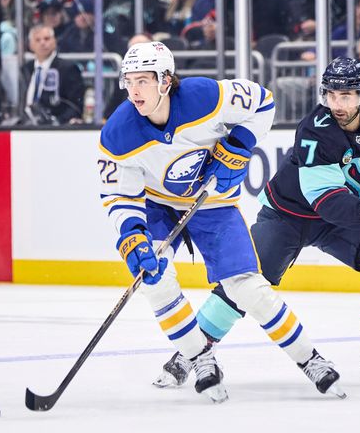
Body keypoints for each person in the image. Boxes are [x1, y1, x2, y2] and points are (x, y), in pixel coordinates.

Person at [99, 42, 345, 404]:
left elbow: (263, 101)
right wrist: (132, 234)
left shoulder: (204, 96)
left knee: (248, 287)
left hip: (212, 202)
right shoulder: (118, 132)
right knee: (155, 279)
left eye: (143, 81)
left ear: (166, 80)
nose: (134, 90)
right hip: (158, 205)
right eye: (129, 81)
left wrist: (240, 144)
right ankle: (200, 359)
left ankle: (311, 359)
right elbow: (120, 196)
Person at [155, 56, 360, 388]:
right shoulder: (314, 129)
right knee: (244, 281)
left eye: (346, 95)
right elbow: (325, 198)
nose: (337, 103)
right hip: (287, 216)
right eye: (331, 94)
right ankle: (191, 352)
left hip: (338, 221)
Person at [20, 24, 84, 125]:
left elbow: (75, 106)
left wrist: (57, 122)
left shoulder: (67, 68)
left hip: (54, 128)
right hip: (26, 126)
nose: (42, 43)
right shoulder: (26, 68)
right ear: (31, 45)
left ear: (54, 41)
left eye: (47, 39)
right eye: (38, 40)